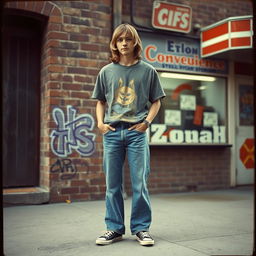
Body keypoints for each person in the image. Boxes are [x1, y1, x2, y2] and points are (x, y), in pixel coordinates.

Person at [91, 23, 165, 246]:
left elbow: (156, 101)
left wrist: (146, 123)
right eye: (119, 40)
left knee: (139, 183)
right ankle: (114, 228)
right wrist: (100, 124)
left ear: (135, 43)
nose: (124, 43)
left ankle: (142, 229)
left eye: (128, 39)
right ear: (114, 43)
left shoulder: (148, 71)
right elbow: (100, 102)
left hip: (136, 133)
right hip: (112, 132)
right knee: (112, 184)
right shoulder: (106, 71)